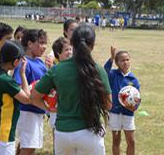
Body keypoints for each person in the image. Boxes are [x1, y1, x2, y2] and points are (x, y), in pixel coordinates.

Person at [31, 22, 112, 155]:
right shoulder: (97, 69)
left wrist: (49, 108)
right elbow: (108, 105)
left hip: (63, 134)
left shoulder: (57, 69)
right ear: (92, 45)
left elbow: (34, 97)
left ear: (72, 43)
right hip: (90, 132)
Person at [13, 29, 48, 155]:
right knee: (29, 147)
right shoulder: (23, 62)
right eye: (41, 43)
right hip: (27, 111)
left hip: (37, 110)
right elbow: (18, 87)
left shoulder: (39, 62)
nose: (44, 47)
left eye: (45, 43)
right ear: (29, 44)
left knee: (26, 145)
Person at [0, 41, 31, 155]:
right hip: (3, 135)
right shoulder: (6, 81)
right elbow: (26, 98)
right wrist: (22, 74)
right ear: (16, 62)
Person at [104, 46, 140, 155]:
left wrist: (134, 107)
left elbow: (137, 98)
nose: (125, 62)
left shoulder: (133, 79)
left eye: (127, 60)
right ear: (117, 62)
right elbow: (104, 71)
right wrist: (111, 58)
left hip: (128, 113)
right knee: (116, 140)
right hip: (114, 113)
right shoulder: (112, 74)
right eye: (122, 60)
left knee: (131, 141)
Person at [49, 36, 73, 152]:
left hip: (71, 108)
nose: (70, 52)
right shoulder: (55, 70)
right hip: (57, 109)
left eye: (70, 49)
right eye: (66, 50)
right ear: (58, 54)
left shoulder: (75, 67)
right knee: (57, 135)